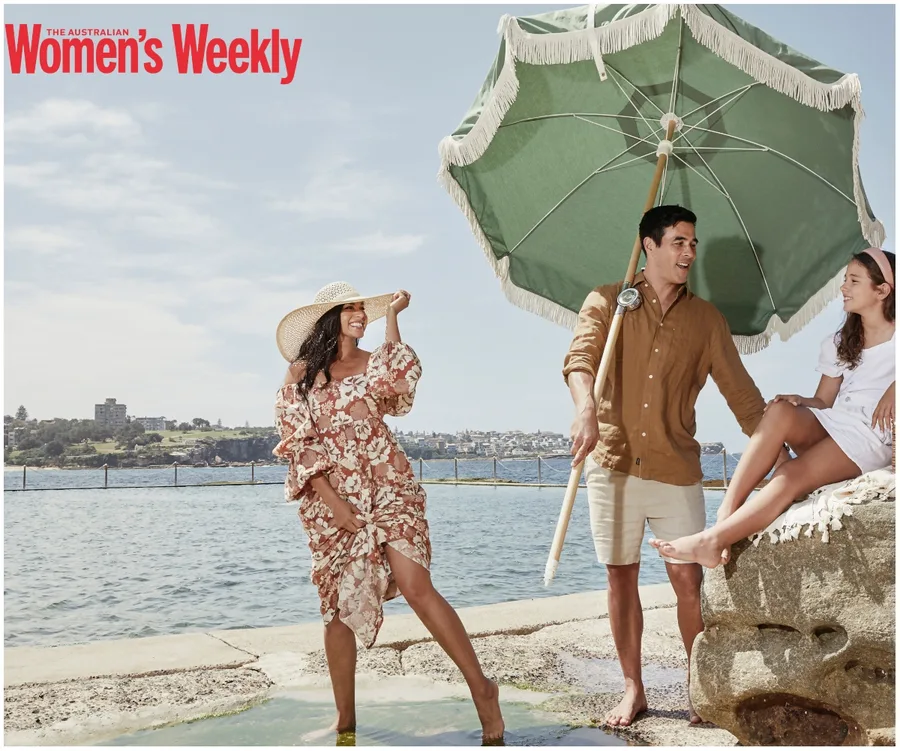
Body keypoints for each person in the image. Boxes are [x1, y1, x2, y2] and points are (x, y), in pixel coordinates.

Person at [563, 205, 774, 728]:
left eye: (693, 244)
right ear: (649, 245)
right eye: (678, 242)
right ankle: (633, 688)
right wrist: (585, 406)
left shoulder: (707, 320)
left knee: (687, 579)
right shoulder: (608, 302)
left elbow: (744, 399)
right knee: (620, 577)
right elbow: (579, 360)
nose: (688, 253)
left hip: (677, 467)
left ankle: (698, 686)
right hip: (610, 462)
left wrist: (784, 461)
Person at [273, 281, 504, 741]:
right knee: (336, 610)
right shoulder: (300, 374)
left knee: (418, 587)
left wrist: (394, 317)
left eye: (364, 308)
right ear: (329, 317)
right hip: (332, 503)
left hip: (390, 487)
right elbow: (299, 443)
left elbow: (398, 386)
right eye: (351, 308)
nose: (361, 314)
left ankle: (482, 689)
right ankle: (345, 720)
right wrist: (336, 506)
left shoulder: (374, 362)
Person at [651, 249, 895, 568]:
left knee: (788, 473)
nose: (843, 287)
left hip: (869, 438)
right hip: (837, 423)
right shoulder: (841, 340)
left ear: (882, 290)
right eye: (844, 279)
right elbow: (823, 402)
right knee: (779, 410)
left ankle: (712, 540)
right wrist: (801, 402)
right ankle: (726, 515)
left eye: (853, 280)